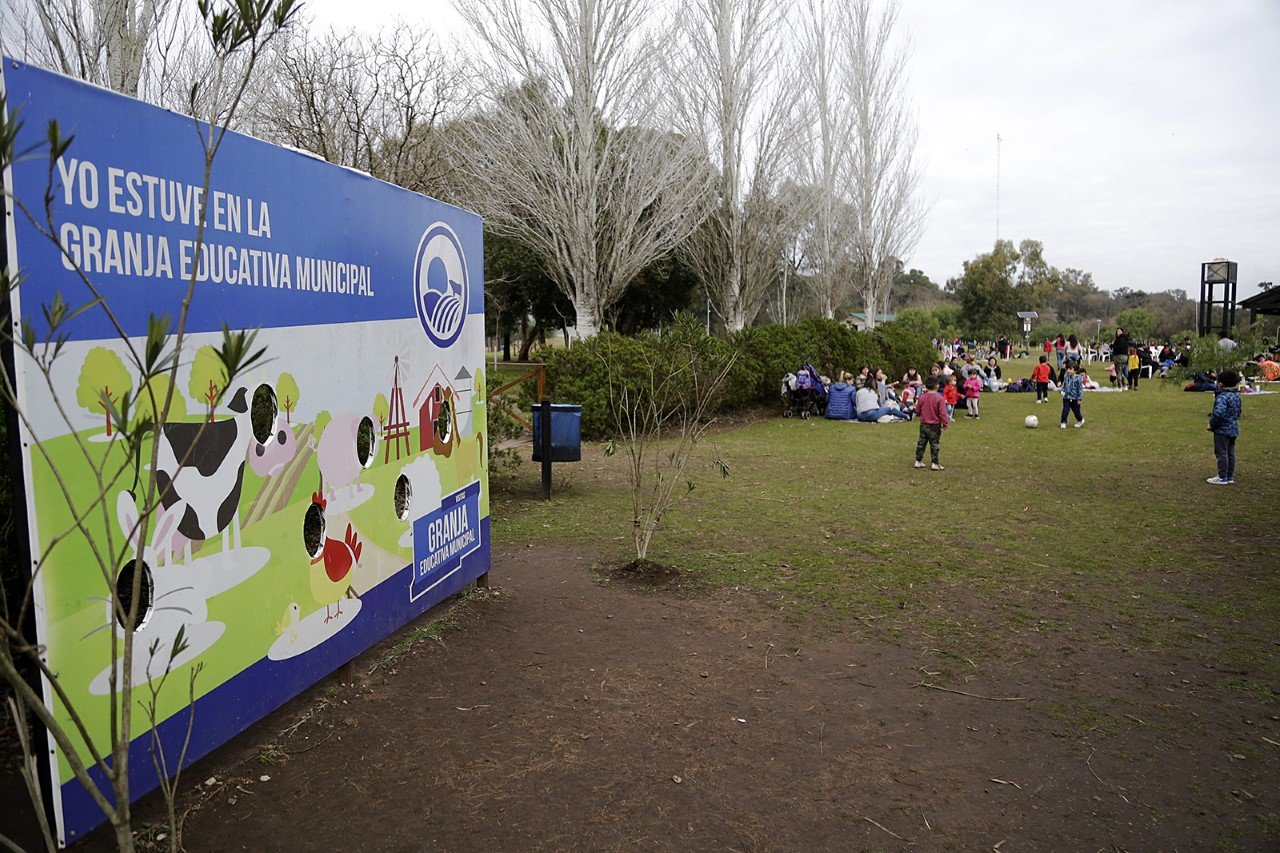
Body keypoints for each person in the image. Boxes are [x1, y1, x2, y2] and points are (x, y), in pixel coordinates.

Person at [1206, 370, 1242, 484]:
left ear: (1221, 383)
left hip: (1222, 430)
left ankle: (1221, 476)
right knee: (1230, 453)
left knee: (1221, 452)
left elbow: (1219, 413)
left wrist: (1211, 424)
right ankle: (1229, 476)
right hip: (1233, 428)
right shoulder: (1236, 395)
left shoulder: (1222, 397)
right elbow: (1238, 411)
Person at [913, 375, 950, 471]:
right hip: (935, 425)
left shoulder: (922, 396)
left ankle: (918, 461)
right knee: (934, 444)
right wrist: (945, 424)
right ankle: (935, 463)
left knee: (921, 443)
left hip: (923, 424)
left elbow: (917, 410)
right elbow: (943, 413)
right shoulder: (940, 398)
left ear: (925, 385)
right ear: (937, 386)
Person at [1059, 361, 1085, 429]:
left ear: (1075, 370)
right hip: (1066, 398)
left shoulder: (1078, 379)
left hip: (1075, 398)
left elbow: (1080, 389)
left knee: (1076, 412)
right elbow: (1064, 386)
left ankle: (1080, 420)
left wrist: (1079, 399)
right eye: (1067, 369)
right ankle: (1063, 422)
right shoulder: (1066, 376)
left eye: (1070, 369)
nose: (1068, 371)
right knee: (1065, 410)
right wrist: (1062, 391)